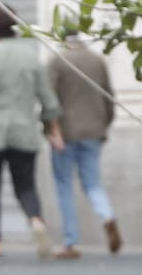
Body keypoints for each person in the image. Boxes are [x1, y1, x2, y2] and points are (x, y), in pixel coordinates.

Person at [0, 6, 63, 258]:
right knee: (26, 186)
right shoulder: (30, 56)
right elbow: (47, 99)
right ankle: (36, 220)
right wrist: (53, 129)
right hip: (24, 132)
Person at [45, 17, 122, 255]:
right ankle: (107, 216)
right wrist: (104, 125)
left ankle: (71, 242)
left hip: (65, 134)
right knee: (92, 183)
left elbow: (49, 100)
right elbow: (109, 96)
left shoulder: (57, 61)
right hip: (93, 132)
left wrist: (50, 130)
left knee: (65, 185)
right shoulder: (97, 60)